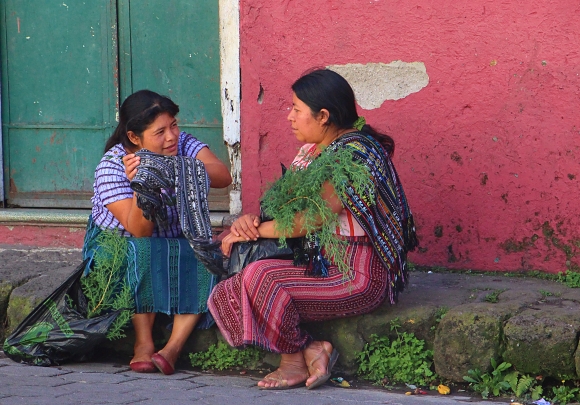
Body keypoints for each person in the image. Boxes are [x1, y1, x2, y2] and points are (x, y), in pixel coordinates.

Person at [208, 69, 418, 390]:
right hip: (323, 264)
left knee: (259, 278)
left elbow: (312, 219)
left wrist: (253, 232)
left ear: (323, 116)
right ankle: (310, 348)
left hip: (358, 275)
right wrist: (249, 222)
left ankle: (292, 360)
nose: (290, 117)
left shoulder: (354, 154)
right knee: (237, 284)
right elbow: (282, 210)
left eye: (296, 109)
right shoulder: (312, 152)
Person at [83, 89, 232, 374]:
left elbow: (223, 176)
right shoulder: (111, 167)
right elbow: (139, 229)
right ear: (134, 138)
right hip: (121, 249)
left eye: (174, 125)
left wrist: (172, 168)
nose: (171, 136)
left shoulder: (181, 146)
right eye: (160, 131)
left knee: (204, 255)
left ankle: (172, 349)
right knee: (145, 251)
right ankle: (144, 343)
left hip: (175, 241)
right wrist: (144, 183)